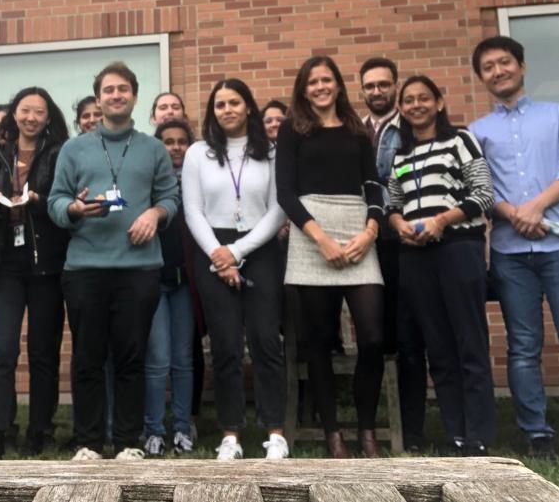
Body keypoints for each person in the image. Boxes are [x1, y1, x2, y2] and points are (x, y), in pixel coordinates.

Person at [469, 35, 559, 463]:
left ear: (522, 66)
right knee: (523, 346)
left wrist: (535, 206)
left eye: (505, 62)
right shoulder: (477, 132)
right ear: (481, 78)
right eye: (489, 67)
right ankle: (537, 434)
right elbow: (478, 184)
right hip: (512, 253)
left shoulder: (558, 115)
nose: (499, 71)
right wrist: (514, 214)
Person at [48, 61, 179, 460]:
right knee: (87, 357)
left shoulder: (154, 149)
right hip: (85, 268)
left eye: (123, 89)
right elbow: (55, 202)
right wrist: (73, 209)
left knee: (130, 357)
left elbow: (170, 198)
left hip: (138, 268)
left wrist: (155, 215)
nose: (116, 95)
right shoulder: (74, 148)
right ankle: (87, 441)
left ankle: (126, 442)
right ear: (99, 98)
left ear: (135, 97)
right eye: (108, 90)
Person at [276, 55, 385, 459]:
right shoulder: (292, 131)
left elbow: (373, 185)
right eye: (312, 82)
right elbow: (284, 192)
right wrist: (319, 238)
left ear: (338, 85)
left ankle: (367, 429)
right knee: (319, 341)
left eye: (327, 80)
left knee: (372, 337)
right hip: (311, 234)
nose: (320, 87)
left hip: (358, 231)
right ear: (303, 90)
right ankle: (333, 434)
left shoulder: (358, 131)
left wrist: (370, 231)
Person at [386, 75, 497, 455]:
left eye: (423, 98)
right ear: (401, 109)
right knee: (439, 347)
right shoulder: (400, 155)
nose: (416, 105)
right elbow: (393, 202)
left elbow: (483, 195)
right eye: (409, 100)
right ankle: (456, 434)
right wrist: (399, 224)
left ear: (438, 102)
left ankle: (479, 436)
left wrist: (440, 221)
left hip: (457, 248)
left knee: (469, 342)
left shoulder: (460, 140)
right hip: (415, 256)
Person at [183, 79, 288, 460]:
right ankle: (231, 434)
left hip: (259, 246)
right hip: (212, 247)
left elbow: (280, 208)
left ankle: (275, 431)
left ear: (248, 107)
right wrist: (218, 253)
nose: (227, 109)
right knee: (225, 346)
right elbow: (192, 209)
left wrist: (237, 251)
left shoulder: (272, 151)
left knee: (265, 342)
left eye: (234, 102)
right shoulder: (198, 153)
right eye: (219, 104)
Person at [0, 87, 71, 459]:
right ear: (13, 114)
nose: (31, 117)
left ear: (48, 117)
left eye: (39, 112)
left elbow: (63, 204)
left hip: (46, 262)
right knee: (3, 350)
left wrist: (39, 202)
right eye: (25, 110)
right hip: (5, 264)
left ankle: (40, 429)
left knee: (43, 352)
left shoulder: (59, 153)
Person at [358, 56, 428, 451]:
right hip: (365, 242)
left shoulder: (410, 129)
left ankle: (412, 431)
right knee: (374, 335)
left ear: (395, 86)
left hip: (404, 240)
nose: (377, 91)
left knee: (409, 337)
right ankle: (375, 422)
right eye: (369, 86)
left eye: (383, 84)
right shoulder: (354, 129)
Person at [143, 119, 198, 457]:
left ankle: (181, 427)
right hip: (154, 279)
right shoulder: (148, 183)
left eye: (181, 141)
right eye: (168, 141)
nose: (175, 147)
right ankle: (153, 429)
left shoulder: (196, 181)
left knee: (183, 359)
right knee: (158, 359)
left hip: (185, 283)